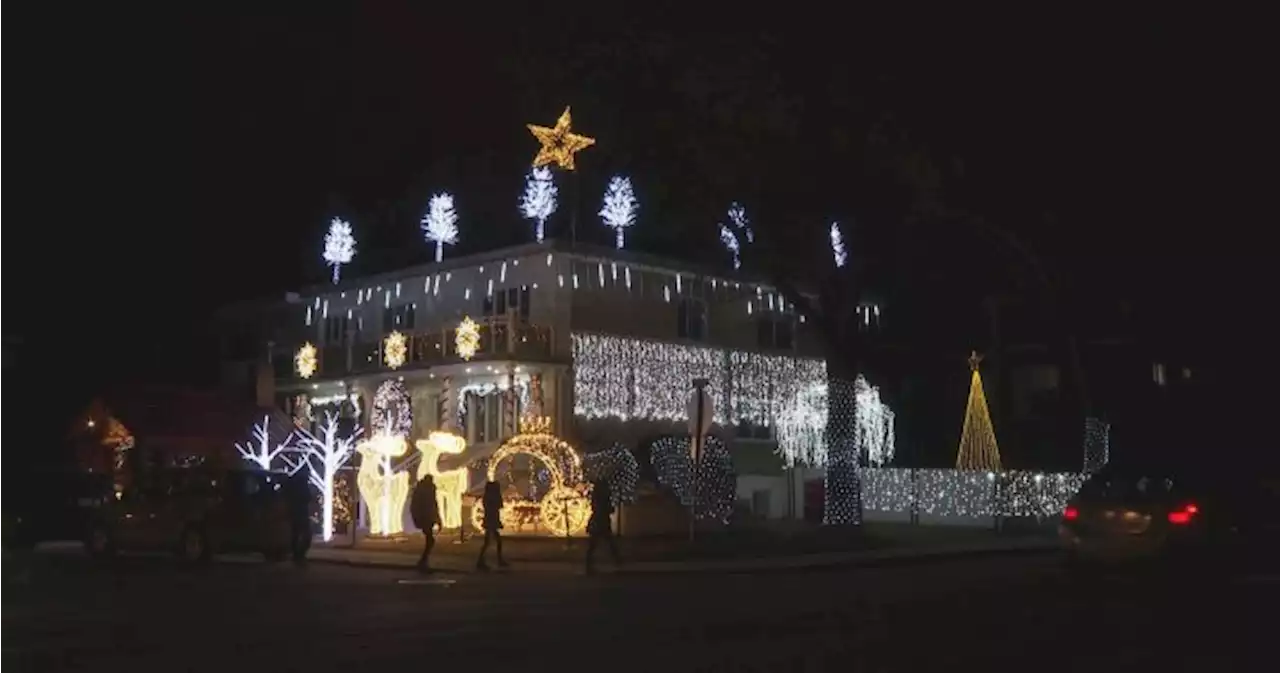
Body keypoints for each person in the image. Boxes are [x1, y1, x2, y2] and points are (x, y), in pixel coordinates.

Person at [585, 480, 621, 574]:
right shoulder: (603, 497)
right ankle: (617, 560)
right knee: (607, 542)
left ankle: (588, 564)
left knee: (595, 544)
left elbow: (596, 507)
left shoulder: (597, 496)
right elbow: (606, 508)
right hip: (601, 521)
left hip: (598, 521)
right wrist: (609, 509)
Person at [410, 474, 443, 574]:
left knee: (430, 540)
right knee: (430, 540)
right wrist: (437, 519)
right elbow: (433, 505)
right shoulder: (427, 491)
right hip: (426, 517)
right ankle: (423, 562)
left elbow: (431, 505)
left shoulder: (421, 490)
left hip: (425, 517)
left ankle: (423, 562)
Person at [476, 480, 507, 571]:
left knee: (492, 541)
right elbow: (499, 505)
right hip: (491, 520)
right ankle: (481, 561)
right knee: (490, 542)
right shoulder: (492, 497)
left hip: (490, 520)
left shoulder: (487, 497)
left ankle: (486, 560)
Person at [285, 471, 313, 564]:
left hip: (296, 513)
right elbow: (308, 497)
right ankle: (298, 554)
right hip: (301, 513)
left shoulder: (293, 487)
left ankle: (297, 554)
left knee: (296, 534)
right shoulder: (302, 487)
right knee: (304, 534)